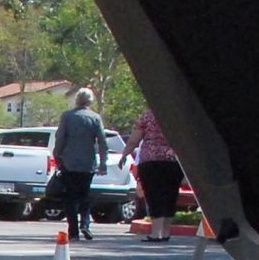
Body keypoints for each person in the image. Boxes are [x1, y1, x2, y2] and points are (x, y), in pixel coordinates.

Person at [49, 86, 109, 242]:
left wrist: (57, 155)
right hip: (87, 163)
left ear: (77, 100)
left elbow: (60, 138)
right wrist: (103, 162)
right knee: (84, 195)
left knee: (71, 197)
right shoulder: (95, 118)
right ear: (90, 101)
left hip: (69, 162)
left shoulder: (68, 117)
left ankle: (74, 230)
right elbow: (102, 142)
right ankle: (85, 224)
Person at [122, 105, 185, 242]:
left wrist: (124, 155)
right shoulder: (177, 116)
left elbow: (134, 140)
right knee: (170, 194)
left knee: (154, 195)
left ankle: (156, 232)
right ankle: (166, 232)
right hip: (172, 159)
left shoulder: (148, 116)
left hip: (150, 160)